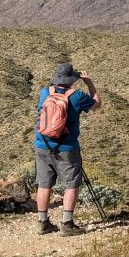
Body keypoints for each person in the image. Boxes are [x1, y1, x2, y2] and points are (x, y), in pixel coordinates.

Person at [34, 63, 101, 235]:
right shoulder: (77, 96)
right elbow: (97, 104)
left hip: (42, 144)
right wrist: (89, 83)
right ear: (72, 79)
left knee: (44, 184)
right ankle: (67, 224)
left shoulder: (45, 92)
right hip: (67, 147)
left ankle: (43, 223)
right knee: (71, 184)